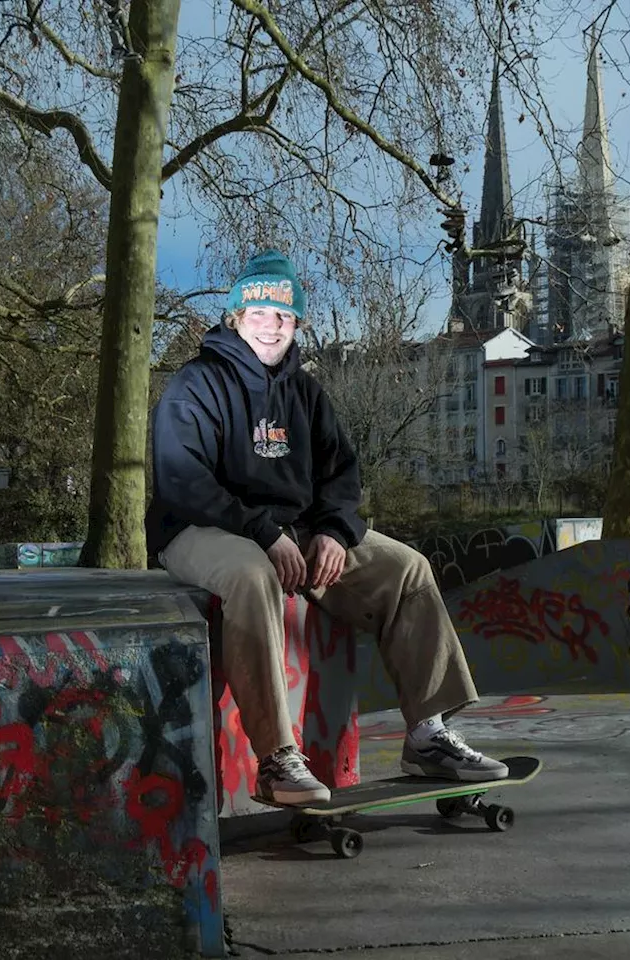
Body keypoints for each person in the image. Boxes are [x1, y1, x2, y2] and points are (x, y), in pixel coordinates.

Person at [147, 249, 507, 805]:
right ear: (236, 317)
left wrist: (334, 532)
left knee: (407, 570)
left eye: (284, 317)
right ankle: (275, 759)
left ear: (297, 325)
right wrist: (264, 533)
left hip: (294, 532)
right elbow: (182, 480)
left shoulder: (306, 395)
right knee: (251, 577)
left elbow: (341, 474)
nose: (271, 326)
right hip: (199, 528)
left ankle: (427, 734)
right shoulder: (196, 386)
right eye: (260, 314)